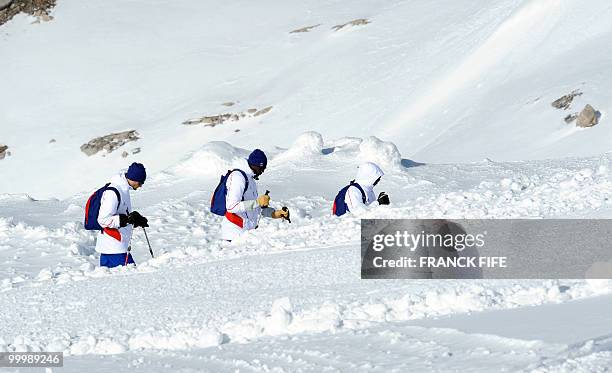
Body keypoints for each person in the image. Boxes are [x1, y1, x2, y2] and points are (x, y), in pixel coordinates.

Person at [222, 149, 289, 241]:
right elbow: (231, 207)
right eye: (262, 168)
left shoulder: (250, 179)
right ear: (256, 165)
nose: (263, 171)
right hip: (234, 235)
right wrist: (257, 202)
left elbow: (254, 209)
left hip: (246, 233)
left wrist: (274, 213)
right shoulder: (238, 177)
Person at [95, 162, 149, 268]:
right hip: (114, 246)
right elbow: (102, 219)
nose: (141, 185)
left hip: (117, 246)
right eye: (140, 182)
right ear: (134, 179)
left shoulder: (123, 189)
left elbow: (121, 213)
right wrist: (126, 219)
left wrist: (134, 219)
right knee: (131, 278)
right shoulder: (113, 192)